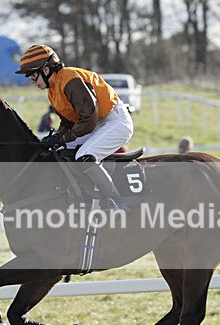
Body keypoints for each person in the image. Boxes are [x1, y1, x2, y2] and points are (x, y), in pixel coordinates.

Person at [16, 44, 134, 209]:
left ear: (46, 69)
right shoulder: (53, 90)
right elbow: (68, 122)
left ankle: (116, 201)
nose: (33, 81)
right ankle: (83, 193)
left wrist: (64, 137)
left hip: (115, 121)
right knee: (59, 151)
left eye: (34, 76)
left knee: (84, 156)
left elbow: (89, 117)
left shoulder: (69, 78)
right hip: (96, 124)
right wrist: (57, 137)